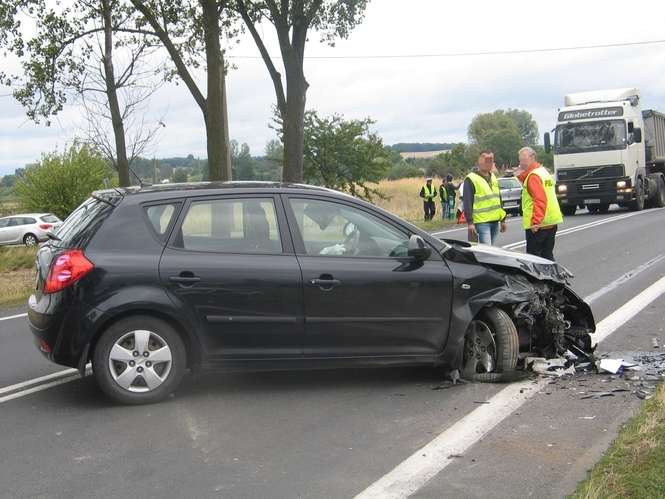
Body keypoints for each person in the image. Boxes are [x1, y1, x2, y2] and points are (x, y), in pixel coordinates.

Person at [515, 146, 563, 261]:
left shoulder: (533, 176)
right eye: (520, 160)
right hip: (550, 221)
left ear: (532, 157)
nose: (521, 163)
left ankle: (540, 280)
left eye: (523, 159)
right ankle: (553, 278)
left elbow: (539, 199)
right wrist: (520, 176)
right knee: (547, 256)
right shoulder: (542, 171)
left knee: (534, 259)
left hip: (539, 225)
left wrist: (536, 221)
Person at [462, 151, 507, 245]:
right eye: (486, 160)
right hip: (482, 222)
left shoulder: (493, 177)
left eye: (491, 160)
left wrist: (503, 220)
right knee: (487, 251)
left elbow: (499, 199)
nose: (489, 163)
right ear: (479, 162)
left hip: (495, 221)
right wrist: (470, 223)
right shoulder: (471, 179)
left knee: (491, 250)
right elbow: (467, 202)